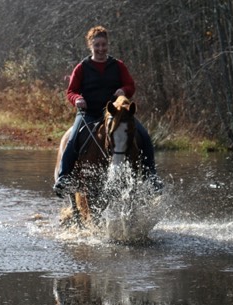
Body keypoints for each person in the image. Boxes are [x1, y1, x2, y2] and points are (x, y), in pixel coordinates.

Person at [53, 26, 161, 197]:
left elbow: (130, 85)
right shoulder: (82, 67)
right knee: (73, 138)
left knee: (144, 135)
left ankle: (151, 176)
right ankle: (64, 177)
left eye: (103, 45)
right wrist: (77, 100)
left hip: (116, 114)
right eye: (97, 45)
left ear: (108, 45)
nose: (101, 49)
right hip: (89, 113)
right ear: (91, 46)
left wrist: (124, 91)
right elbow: (71, 91)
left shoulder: (118, 65)